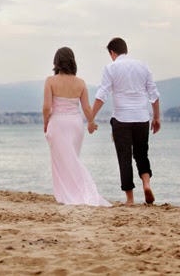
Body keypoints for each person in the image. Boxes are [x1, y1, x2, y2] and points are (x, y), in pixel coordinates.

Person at [90, 37, 161, 205]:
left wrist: (90, 118)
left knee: (124, 157)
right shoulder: (143, 66)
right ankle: (146, 184)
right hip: (142, 117)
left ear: (112, 53)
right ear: (125, 50)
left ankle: (130, 199)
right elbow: (154, 95)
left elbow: (102, 95)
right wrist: (156, 117)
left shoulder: (111, 68)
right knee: (141, 153)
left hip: (121, 118)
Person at [43, 47, 111, 207]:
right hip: (75, 124)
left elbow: (46, 107)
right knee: (72, 158)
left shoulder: (50, 81)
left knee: (64, 161)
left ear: (57, 62)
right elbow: (87, 108)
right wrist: (91, 123)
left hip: (58, 122)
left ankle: (69, 195)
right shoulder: (80, 83)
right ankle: (74, 194)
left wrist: (46, 122)